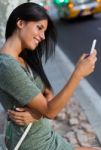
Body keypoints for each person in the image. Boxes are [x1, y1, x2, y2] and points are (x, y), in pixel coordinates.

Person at [0, 2, 99, 150]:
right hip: (34, 145)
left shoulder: (23, 58)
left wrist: (37, 114)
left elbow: (48, 93)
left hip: (47, 138)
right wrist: (78, 74)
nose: (43, 37)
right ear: (20, 23)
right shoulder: (7, 66)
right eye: (39, 28)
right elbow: (50, 110)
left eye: (44, 31)